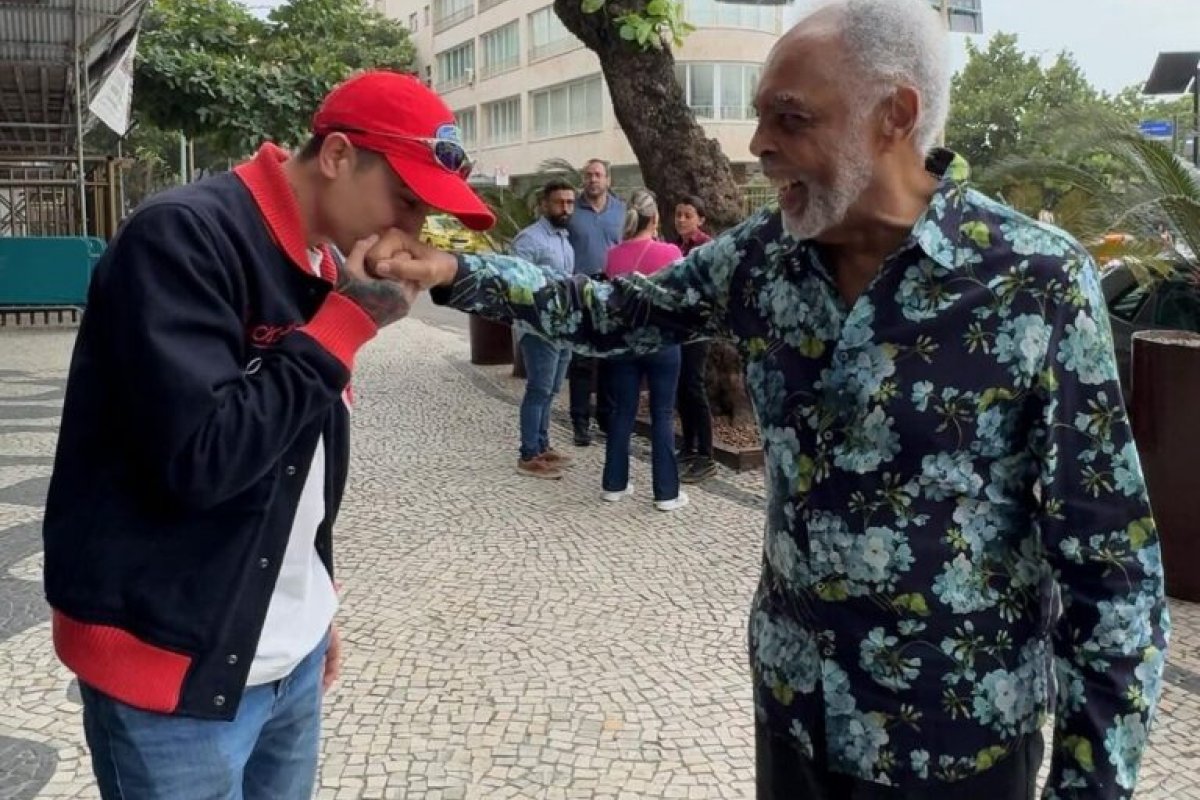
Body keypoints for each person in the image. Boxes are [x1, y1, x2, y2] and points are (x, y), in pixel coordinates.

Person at [370, 0, 1169, 797]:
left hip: (955, 742)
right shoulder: (762, 258)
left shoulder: (1033, 281)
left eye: (791, 118)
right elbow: (618, 314)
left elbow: (1110, 560)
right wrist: (456, 272)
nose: (758, 145)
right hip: (795, 713)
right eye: (761, 116)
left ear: (894, 115)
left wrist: (1089, 782)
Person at [41, 71, 494, 799]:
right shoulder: (184, 237)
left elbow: (302, 460)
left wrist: (310, 596)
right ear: (339, 156)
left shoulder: (323, 262)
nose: (408, 232)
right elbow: (202, 459)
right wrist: (345, 326)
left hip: (290, 651)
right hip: (170, 669)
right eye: (405, 201)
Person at [602, 189, 688, 511]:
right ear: (654, 219)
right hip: (663, 343)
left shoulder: (612, 256)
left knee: (622, 411)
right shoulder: (670, 252)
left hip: (624, 344)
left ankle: (614, 484)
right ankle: (666, 493)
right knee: (662, 414)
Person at [510, 178, 577, 478]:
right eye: (559, 202)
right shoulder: (529, 239)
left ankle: (542, 444)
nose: (565, 207)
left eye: (570, 202)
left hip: (563, 327)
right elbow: (518, 283)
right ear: (544, 204)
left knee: (551, 390)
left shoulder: (564, 238)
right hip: (538, 329)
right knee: (538, 389)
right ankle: (528, 455)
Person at [566, 158, 626, 445]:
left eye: (598, 175)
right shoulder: (571, 211)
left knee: (610, 357)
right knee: (581, 359)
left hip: (612, 290)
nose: (593, 180)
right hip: (580, 288)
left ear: (607, 180)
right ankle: (579, 421)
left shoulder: (622, 211)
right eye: (588, 175)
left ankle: (607, 417)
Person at [672, 196, 718, 482]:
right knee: (681, 385)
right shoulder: (675, 248)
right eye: (678, 214)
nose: (681, 220)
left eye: (688, 215)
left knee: (694, 384)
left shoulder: (705, 247)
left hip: (698, 326)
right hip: (678, 324)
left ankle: (706, 454)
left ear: (700, 219)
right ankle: (688, 446)